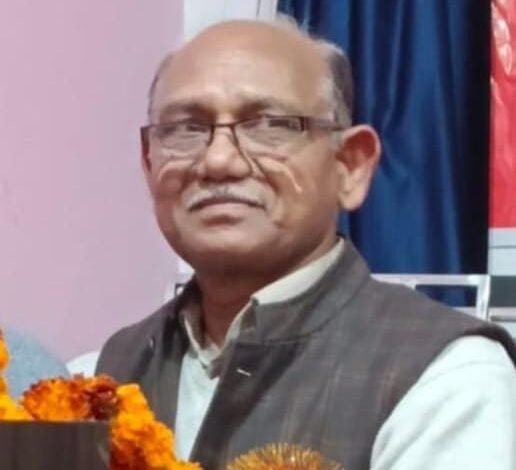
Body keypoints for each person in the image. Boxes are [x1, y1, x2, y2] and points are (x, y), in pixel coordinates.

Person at [96, 18, 516, 470]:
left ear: (349, 166)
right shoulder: (104, 372)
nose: (218, 160)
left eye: (268, 124)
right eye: (187, 128)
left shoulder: (446, 378)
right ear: (148, 163)